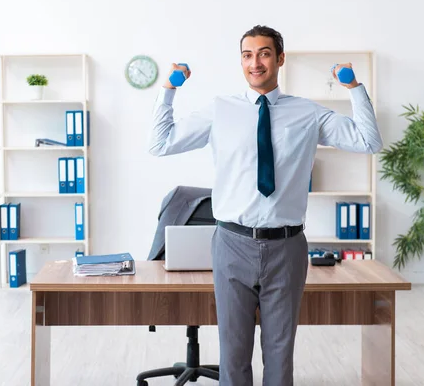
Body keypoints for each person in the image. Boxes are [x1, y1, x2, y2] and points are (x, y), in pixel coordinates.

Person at [148, 25, 383, 386]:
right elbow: (160, 144)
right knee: (233, 356)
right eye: (247, 55)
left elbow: (368, 141)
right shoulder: (220, 110)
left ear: (280, 59)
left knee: (279, 356)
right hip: (231, 244)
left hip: (286, 247)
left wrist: (354, 88)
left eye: (264, 53)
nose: (255, 62)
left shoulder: (307, 113)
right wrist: (169, 90)